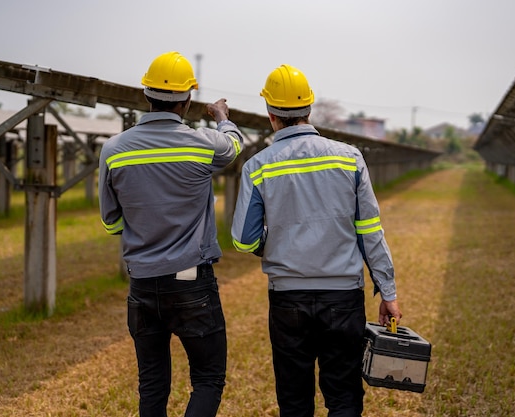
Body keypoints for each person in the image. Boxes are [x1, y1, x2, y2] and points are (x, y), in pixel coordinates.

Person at [231, 64, 402, 417]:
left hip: (287, 300)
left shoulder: (258, 166)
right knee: (343, 398)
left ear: (270, 114)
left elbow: (243, 241)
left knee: (294, 401)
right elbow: (370, 230)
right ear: (310, 107)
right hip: (344, 298)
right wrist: (388, 293)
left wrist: (273, 243)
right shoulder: (350, 158)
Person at [98, 51, 244, 417]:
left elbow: (111, 222)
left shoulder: (113, 150)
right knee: (208, 379)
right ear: (188, 100)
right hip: (192, 279)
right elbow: (235, 145)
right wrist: (223, 117)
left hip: (142, 283)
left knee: (152, 384)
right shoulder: (203, 144)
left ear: (145, 95)